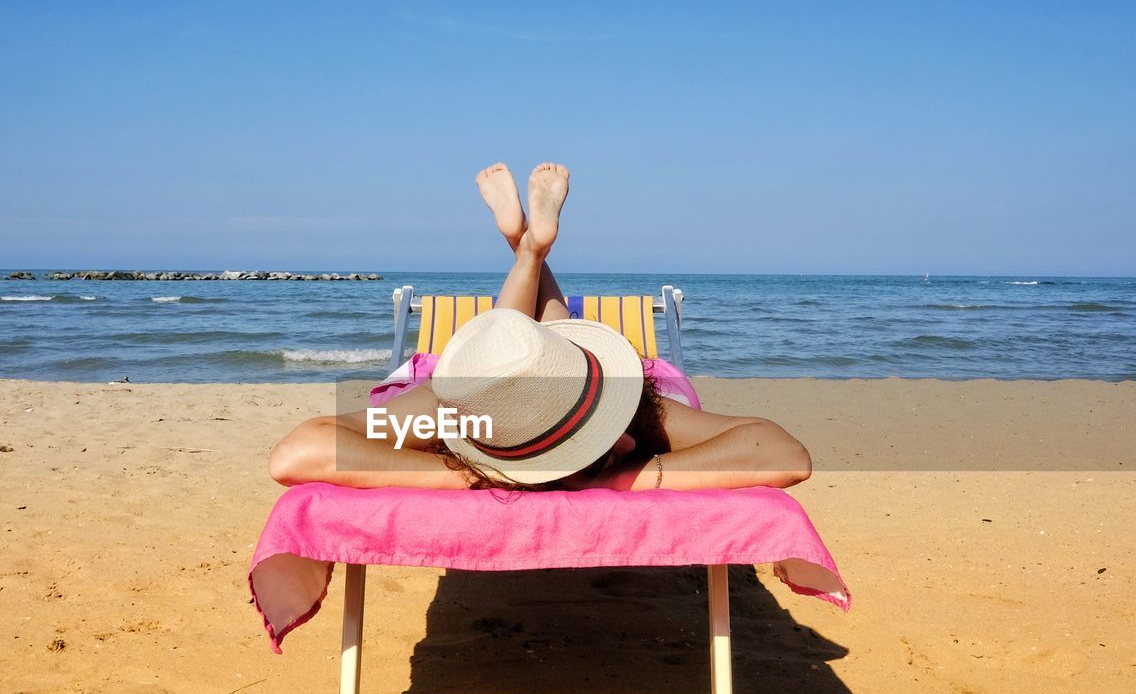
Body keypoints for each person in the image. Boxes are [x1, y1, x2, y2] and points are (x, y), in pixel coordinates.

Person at [268, 163, 811, 492]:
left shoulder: (638, 412)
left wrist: (615, 471)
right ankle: (526, 248)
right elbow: (296, 453)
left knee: (532, 350)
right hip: (510, 392)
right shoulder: (446, 412)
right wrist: (476, 472)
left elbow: (784, 451)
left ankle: (526, 249)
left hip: (562, 374)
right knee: (526, 350)